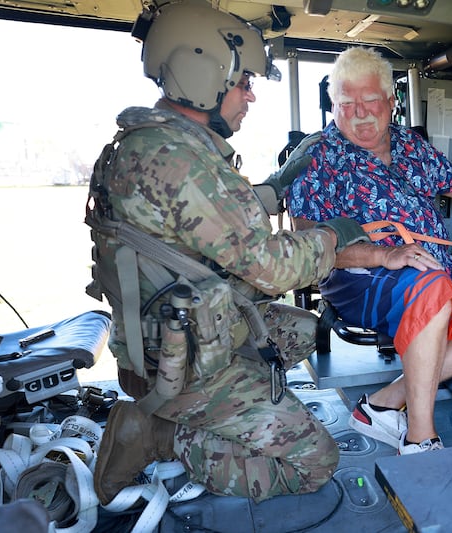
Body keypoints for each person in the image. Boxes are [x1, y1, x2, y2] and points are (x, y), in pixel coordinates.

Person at [87, 0, 369, 505]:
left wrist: (279, 187)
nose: (251, 96)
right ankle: (159, 434)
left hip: (162, 337)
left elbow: (203, 222)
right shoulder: (181, 162)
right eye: (244, 84)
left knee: (302, 330)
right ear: (201, 74)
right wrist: (336, 233)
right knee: (317, 462)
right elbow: (271, 267)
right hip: (179, 363)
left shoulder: (152, 145)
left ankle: (229, 413)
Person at [288, 47, 452, 455]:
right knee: (429, 286)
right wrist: (383, 255)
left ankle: (383, 403)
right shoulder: (316, 157)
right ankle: (420, 437)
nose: (359, 114)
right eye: (346, 104)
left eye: (370, 101)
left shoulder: (410, 144)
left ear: (391, 102)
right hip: (358, 279)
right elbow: (305, 247)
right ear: (334, 105)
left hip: (433, 272)